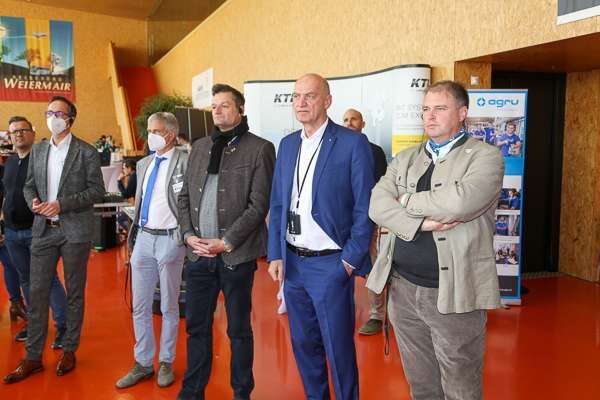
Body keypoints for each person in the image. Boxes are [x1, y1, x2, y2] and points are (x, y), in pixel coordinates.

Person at [367, 80, 504, 400]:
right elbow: (376, 205)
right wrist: (422, 224)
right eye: (425, 109)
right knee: (421, 384)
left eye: (440, 108)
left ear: (462, 113)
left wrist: (403, 201)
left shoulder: (485, 157)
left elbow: (460, 203)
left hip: (454, 292)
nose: (429, 116)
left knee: (460, 385)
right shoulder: (405, 158)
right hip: (403, 289)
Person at [268, 73, 374, 400]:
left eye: (310, 96)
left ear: (327, 101)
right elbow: (278, 202)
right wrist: (275, 253)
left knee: (338, 349)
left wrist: (349, 260)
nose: (301, 102)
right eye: (296, 96)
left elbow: (365, 207)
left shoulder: (352, 143)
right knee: (303, 344)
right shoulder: (287, 145)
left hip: (331, 264)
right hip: (293, 263)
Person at [176, 84, 275, 400]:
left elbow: (258, 206)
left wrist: (226, 241)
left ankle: (242, 393)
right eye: (214, 106)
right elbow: (183, 197)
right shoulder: (200, 147)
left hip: (235, 257)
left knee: (239, 331)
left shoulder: (260, 149)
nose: (217, 111)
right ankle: (192, 391)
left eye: (225, 105)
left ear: (241, 110)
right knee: (196, 328)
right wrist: (188, 235)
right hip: (198, 257)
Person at [4, 96, 105, 384]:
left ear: (71, 118)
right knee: (36, 292)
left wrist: (62, 204)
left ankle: (69, 349)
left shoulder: (86, 151)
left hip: (74, 232)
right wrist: (33, 201)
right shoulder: (38, 150)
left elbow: (96, 191)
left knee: (74, 293)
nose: (53, 118)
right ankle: (33, 356)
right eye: (49, 112)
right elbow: (29, 186)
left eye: (59, 113)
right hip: (43, 230)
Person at [116, 112, 188, 389]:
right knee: (140, 305)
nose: (149, 136)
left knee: (169, 305)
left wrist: (184, 235)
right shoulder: (144, 163)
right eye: (149, 130)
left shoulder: (185, 161)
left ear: (170, 134)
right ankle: (143, 362)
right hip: (144, 239)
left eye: (155, 131)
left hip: (171, 239)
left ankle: (166, 361)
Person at [2, 116, 68, 344]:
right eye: (14, 132)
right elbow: (6, 194)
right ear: (10, 137)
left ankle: (63, 326)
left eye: (22, 130)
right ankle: (36, 325)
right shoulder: (10, 163)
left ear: (32, 133)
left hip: (38, 230)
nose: (18, 134)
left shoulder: (44, 161)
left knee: (48, 279)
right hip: (12, 233)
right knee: (26, 279)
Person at [342, 108, 387, 335]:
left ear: (363, 124)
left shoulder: (374, 151)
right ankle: (341, 310)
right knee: (340, 266)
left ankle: (377, 315)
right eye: (345, 120)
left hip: (367, 220)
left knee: (373, 266)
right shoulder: (335, 150)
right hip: (341, 221)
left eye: (354, 119)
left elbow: (380, 187)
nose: (349, 123)